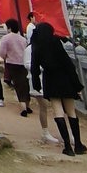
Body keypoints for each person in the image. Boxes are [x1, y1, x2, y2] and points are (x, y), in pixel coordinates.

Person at [30, 22, 87, 156]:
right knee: (71, 111)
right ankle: (78, 144)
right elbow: (68, 64)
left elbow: (34, 68)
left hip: (50, 79)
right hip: (65, 78)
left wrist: (36, 84)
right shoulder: (56, 42)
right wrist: (77, 85)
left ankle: (67, 146)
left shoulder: (36, 45)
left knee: (58, 111)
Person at [25, 15, 58, 144]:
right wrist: (42, 66)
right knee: (44, 106)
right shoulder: (29, 49)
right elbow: (27, 64)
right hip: (36, 80)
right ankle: (45, 131)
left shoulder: (50, 47)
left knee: (56, 108)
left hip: (50, 80)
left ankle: (64, 132)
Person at [0, 19, 32, 116]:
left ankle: (23, 108)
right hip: (23, 64)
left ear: (9, 27)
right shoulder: (23, 39)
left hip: (12, 63)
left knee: (18, 85)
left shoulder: (5, 38)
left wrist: (6, 57)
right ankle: (28, 105)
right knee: (25, 84)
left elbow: (1, 52)